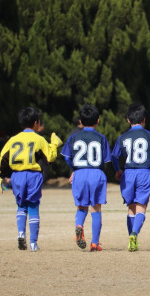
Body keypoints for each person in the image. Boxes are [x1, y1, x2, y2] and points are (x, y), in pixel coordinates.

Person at [0, 107, 62, 251]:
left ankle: (21, 234)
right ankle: (33, 243)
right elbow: (49, 158)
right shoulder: (38, 139)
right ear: (36, 123)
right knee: (33, 205)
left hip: (17, 176)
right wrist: (54, 144)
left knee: (21, 206)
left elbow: (3, 158)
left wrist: (1, 176)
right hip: (33, 175)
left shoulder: (13, 140)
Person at [61, 104, 111, 252]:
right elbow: (105, 161)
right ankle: (94, 243)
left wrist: (74, 169)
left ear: (80, 121)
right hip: (96, 173)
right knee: (96, 209)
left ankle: (79, 226)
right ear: (98, 120)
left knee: (81, 207)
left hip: (80, 173)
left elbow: (67, 157)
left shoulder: (73, 137)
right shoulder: (101, 138)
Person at [111, 104, 150, 252]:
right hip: (144, 172)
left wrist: (117, 170)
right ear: (144, 119)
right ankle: (134, 234)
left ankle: (131, 239)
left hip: (128, 174)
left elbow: (114, 156)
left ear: (128, 120)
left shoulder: (123, 137)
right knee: (141, 207)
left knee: (131, 208)